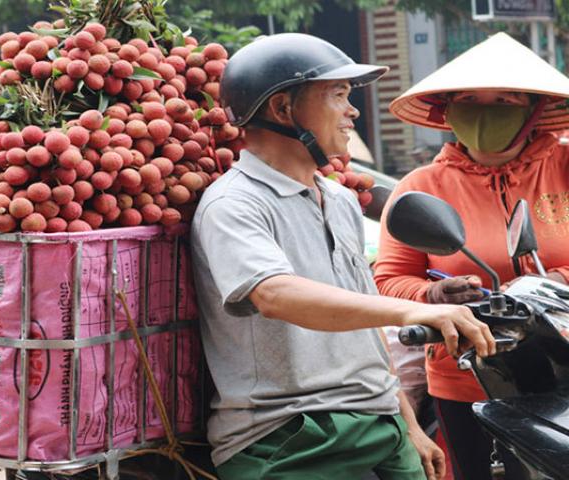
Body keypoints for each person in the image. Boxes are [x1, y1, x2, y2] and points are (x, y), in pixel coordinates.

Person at [190, 33, 495, 480]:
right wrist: (413, 308)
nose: (352, 110)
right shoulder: (233, 204)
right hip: (289, 437)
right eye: (337, 95)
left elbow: (363, 324)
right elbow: (275, 294)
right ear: (282, 109)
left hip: (381, 424)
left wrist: (407, 422)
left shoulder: (338, 198)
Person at [374, 32, 569, 480]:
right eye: (469, 99)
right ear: (448, 110)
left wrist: (553, 283)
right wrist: (435, 292)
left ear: (535, 108)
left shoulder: (564, 166)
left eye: (506, 98)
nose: (486, 109)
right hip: (466, 376)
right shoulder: (420, 187)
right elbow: (390, 281)